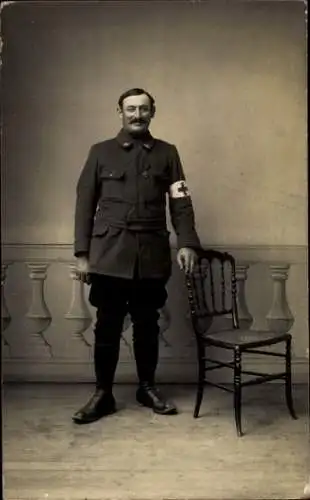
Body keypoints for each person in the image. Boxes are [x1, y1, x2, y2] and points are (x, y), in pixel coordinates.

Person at [72, 88, 201, 424]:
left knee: (147, 325)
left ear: (153, 112)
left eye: (144, 109)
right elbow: (84, 205)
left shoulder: (168, 154)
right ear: (120, 112)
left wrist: (187, 242)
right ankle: (103, 394)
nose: (137, 114)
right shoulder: (100, 152)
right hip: (110, 255)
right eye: (131, 109)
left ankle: (147, 387)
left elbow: (181, 202)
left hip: (151, 255)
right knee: (107, 327)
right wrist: (82, 254)